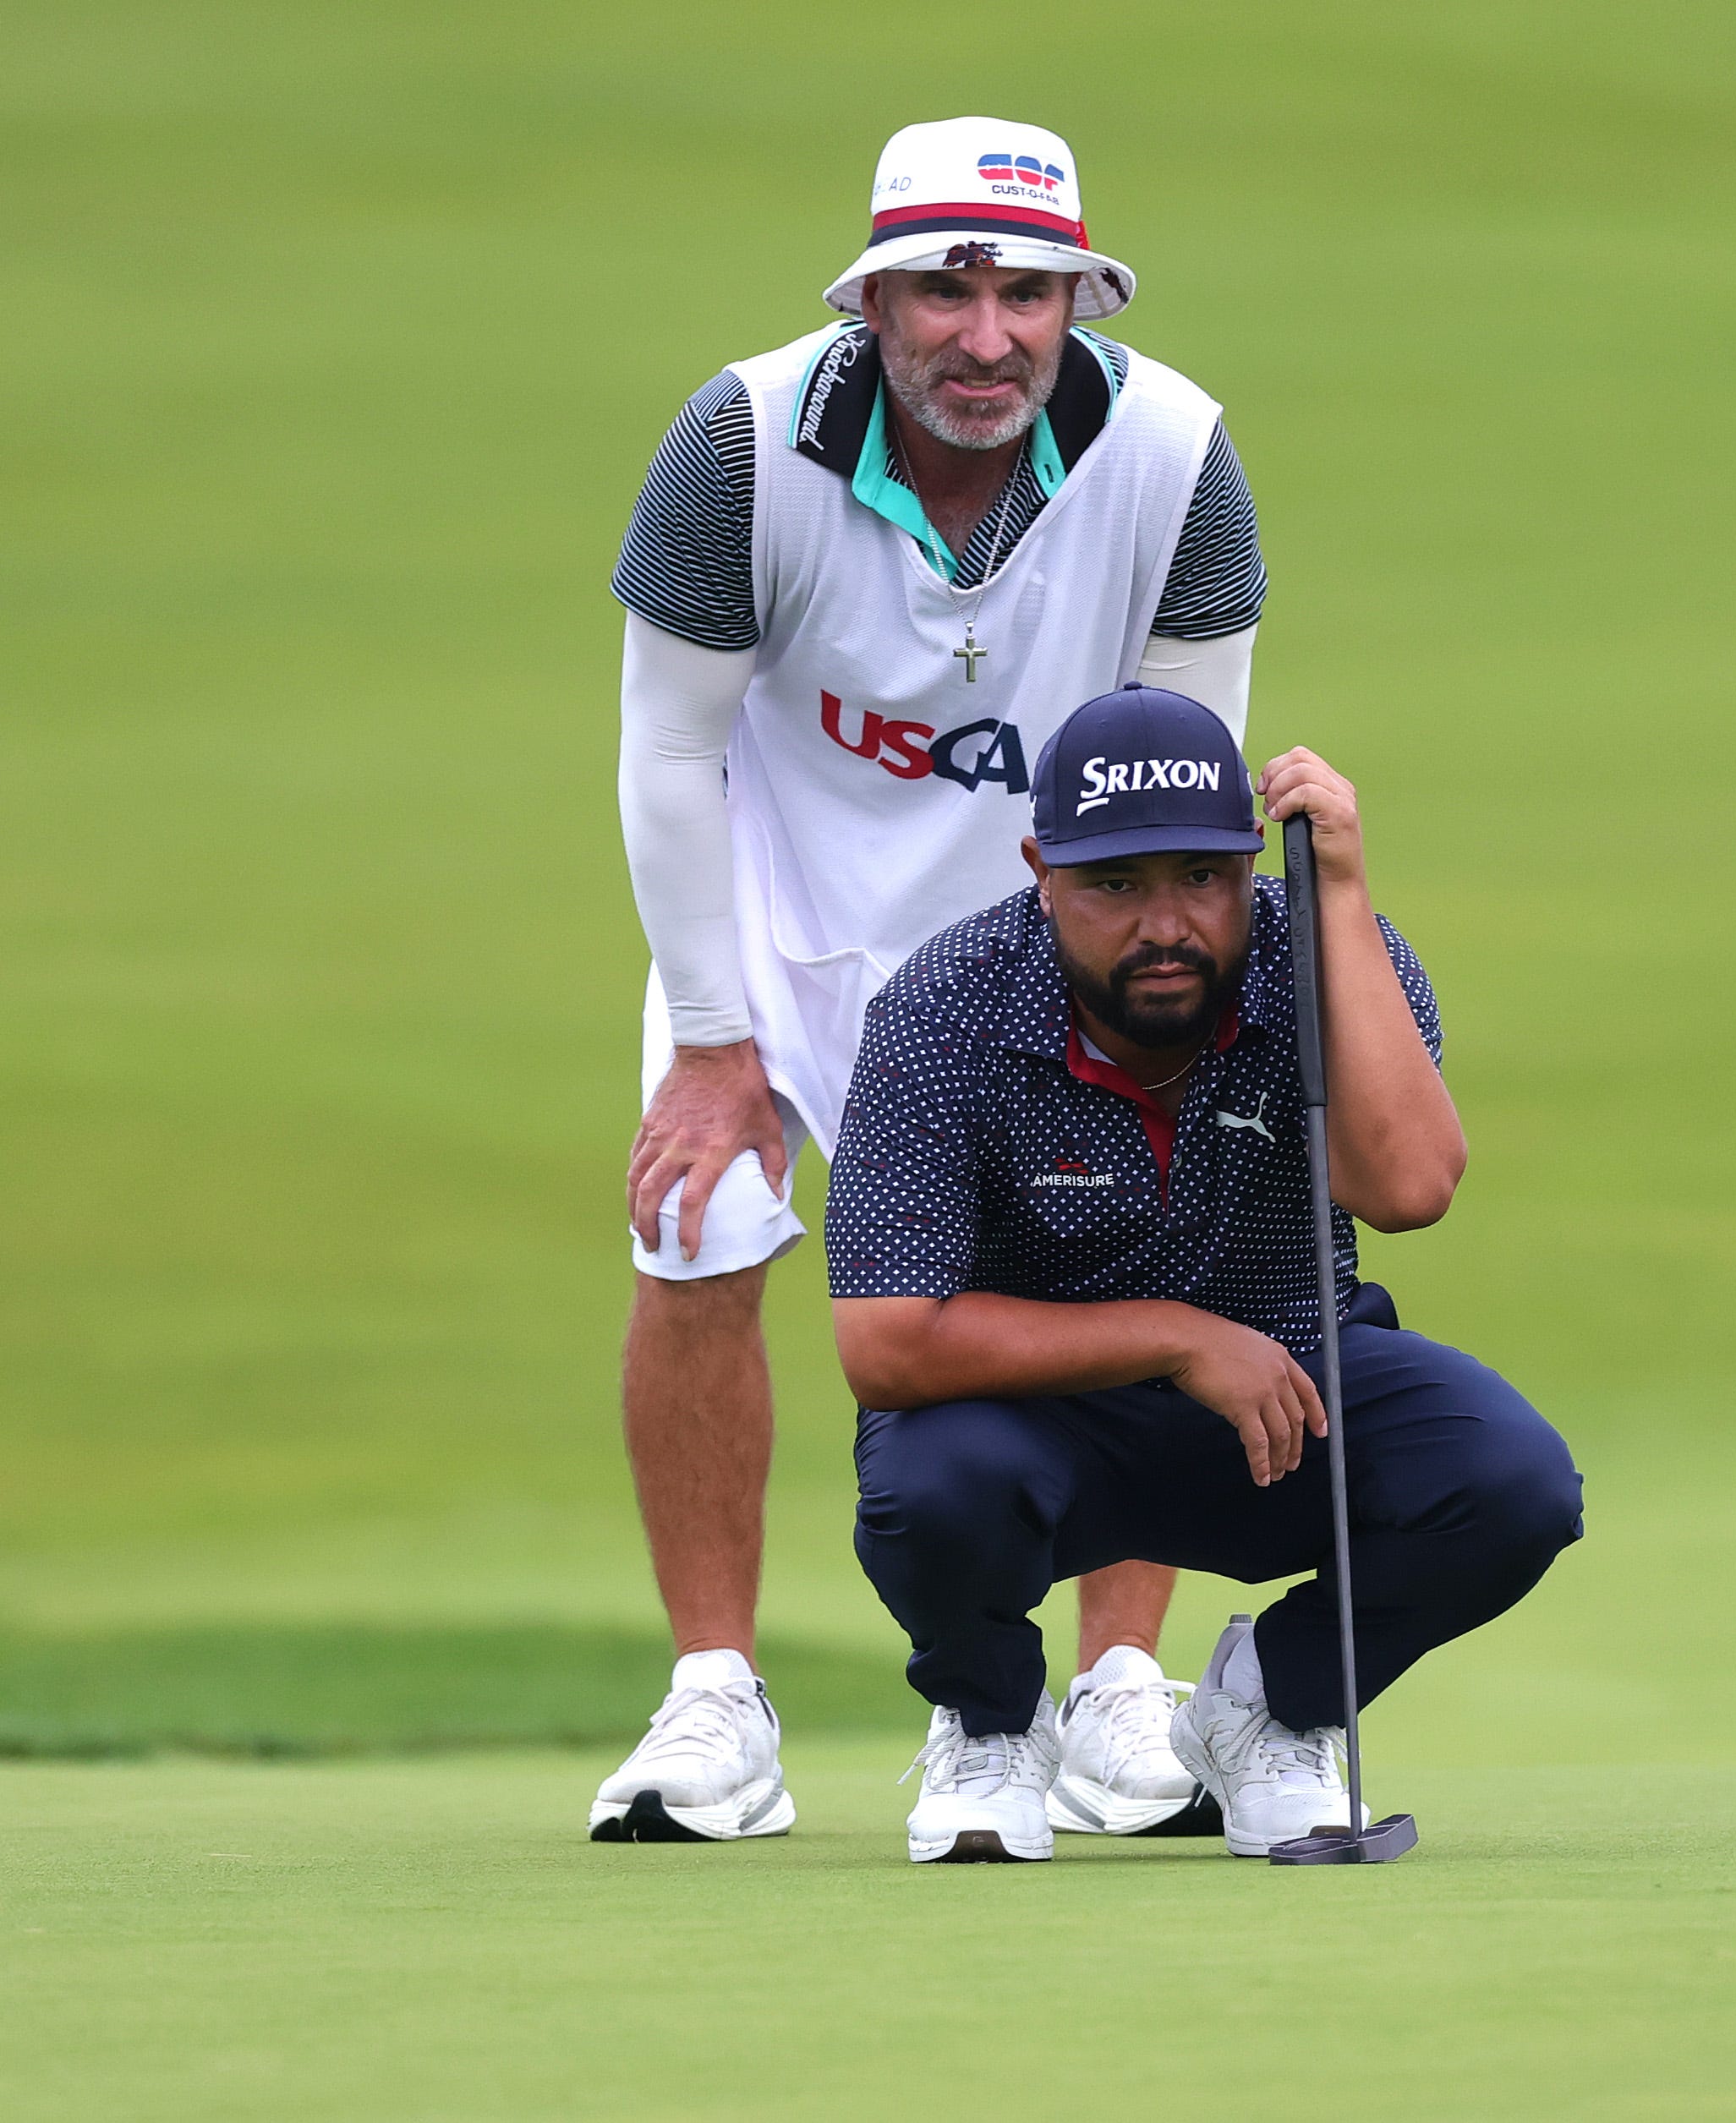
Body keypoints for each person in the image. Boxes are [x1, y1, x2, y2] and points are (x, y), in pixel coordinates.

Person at [592, 117, 1256, 1842]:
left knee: (1134, 1232)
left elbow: (1187, 773)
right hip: (779, 910)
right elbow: (666, 750)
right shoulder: (741, 443)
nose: (986, 334)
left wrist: (1148, 977)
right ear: (870, 304)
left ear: (1075, 299)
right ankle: (713, 1701)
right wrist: (716, 1039)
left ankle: (1117, 1687)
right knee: (692, 1225)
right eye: (942, 290)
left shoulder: (1174, 453)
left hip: (1056, 934)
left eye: (1025, 291)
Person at [825, 689, 1583, 1861]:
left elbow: (1410, 1190)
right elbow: (884, 1344)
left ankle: (1270, 1707)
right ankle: (990, 1724)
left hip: (1286, 1402)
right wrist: (1178, 1337)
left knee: (1510, 1482)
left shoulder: (1332, 961)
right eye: (1115, 886)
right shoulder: (944, 1007)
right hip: (1037, 1429)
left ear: (1248, 866)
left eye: (1201, 876)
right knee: (931, 1483)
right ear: (1041, 869)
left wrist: (1339, 895)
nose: (1164, 924)